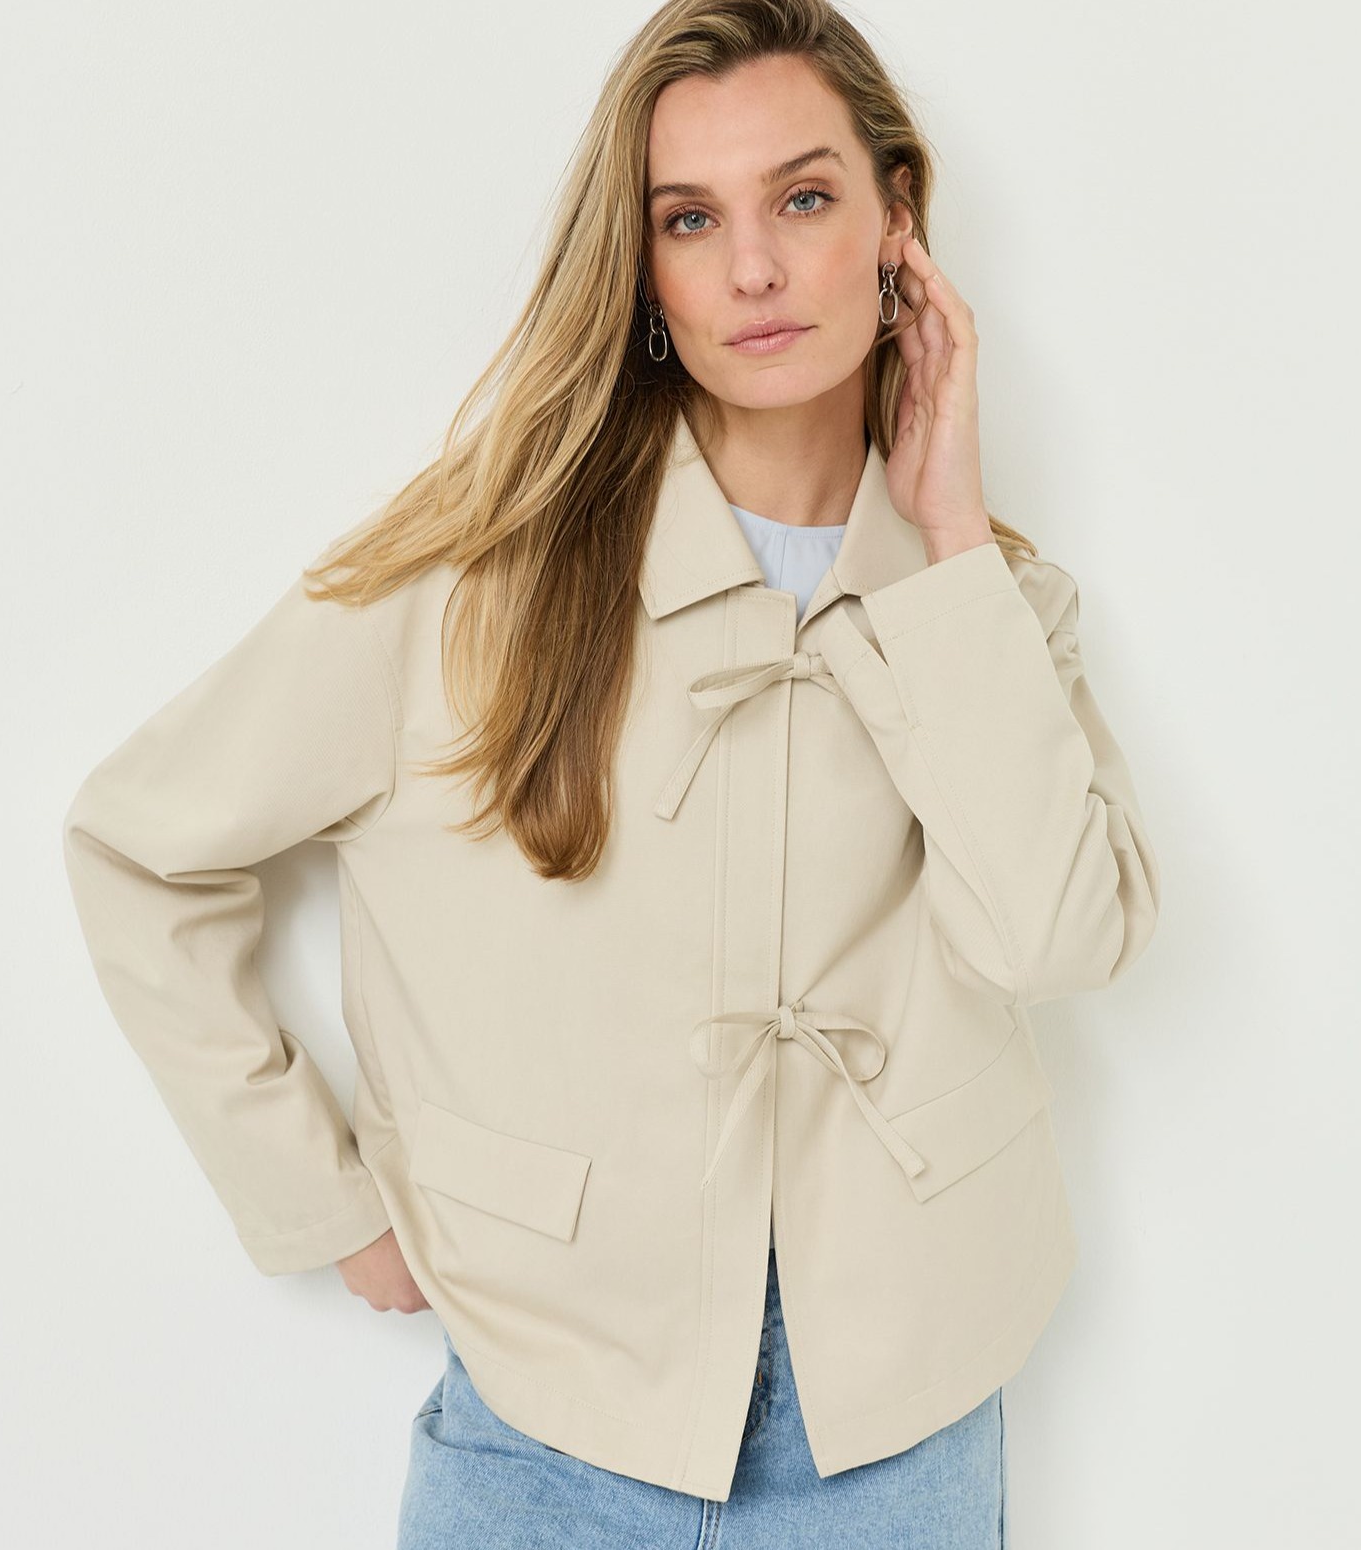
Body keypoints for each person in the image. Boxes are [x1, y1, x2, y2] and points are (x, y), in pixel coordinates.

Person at [61, 1, 1162, 1545]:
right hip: (552, 1424)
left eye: (803, 197)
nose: (755, 269)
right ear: (644, 272)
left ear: (894, 219)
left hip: (904, 1425)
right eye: (690, 220)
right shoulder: (470, 577)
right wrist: (320, 1200)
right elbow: (138, 843)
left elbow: (1057, 942)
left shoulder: (983, 600)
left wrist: (950, 540)